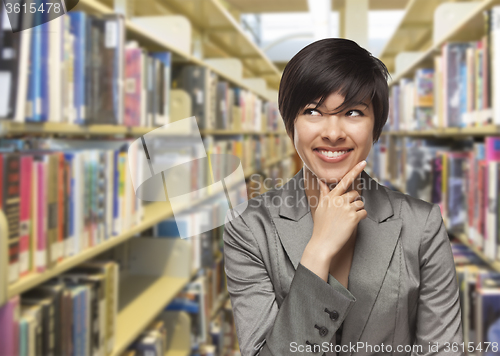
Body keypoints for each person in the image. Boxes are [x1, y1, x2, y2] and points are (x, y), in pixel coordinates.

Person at [222, 38, 463, 356]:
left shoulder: (422, 225)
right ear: (289, 122)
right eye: (313, 111)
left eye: (353, 112)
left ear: (376, 124)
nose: (333, 132)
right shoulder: (249, 228)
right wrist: (318, 250)